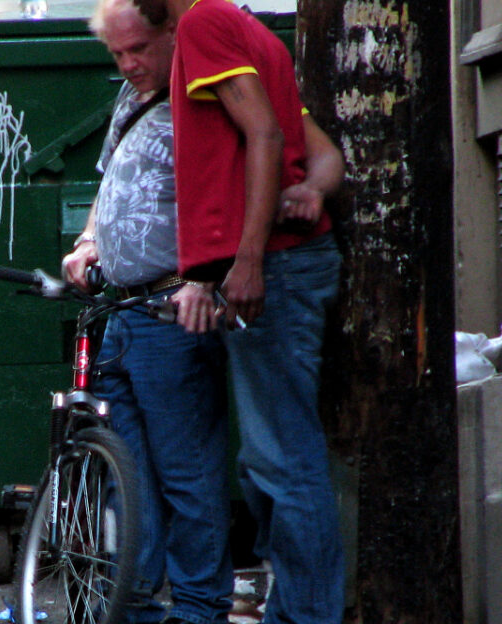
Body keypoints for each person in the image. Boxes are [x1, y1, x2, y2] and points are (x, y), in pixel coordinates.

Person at [164, 0, 347, 622]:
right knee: (267, 459)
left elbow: (266, 133)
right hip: (288, 262)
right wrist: (311, 189)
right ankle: (292, 606)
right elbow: (317, 150)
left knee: (284, 459)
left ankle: (306, 615)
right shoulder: (249, 31)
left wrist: (247, 262)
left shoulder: (203, 23)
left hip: (276, 268)